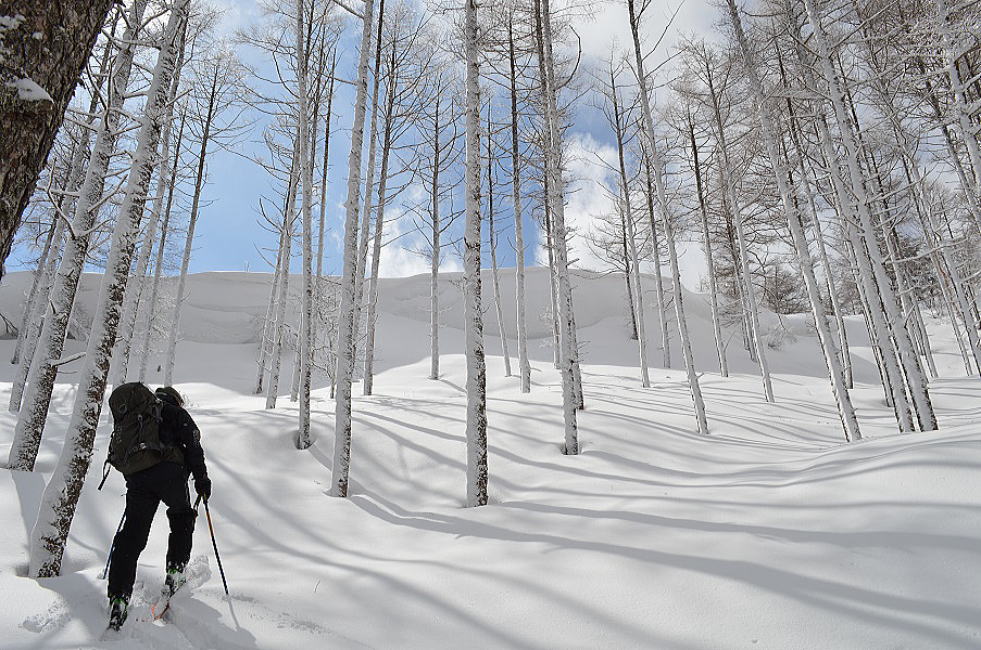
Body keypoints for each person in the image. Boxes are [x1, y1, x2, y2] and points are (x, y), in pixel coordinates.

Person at [106, 385, 211, 628]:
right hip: (170, 474)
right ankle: (175, 571)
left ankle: (118, 596)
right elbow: (194, 447)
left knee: (132, 535)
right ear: (176, 400)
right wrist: (202, 480)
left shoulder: (138, 416)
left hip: (138, 479)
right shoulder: (175, 413)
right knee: (182, 516)